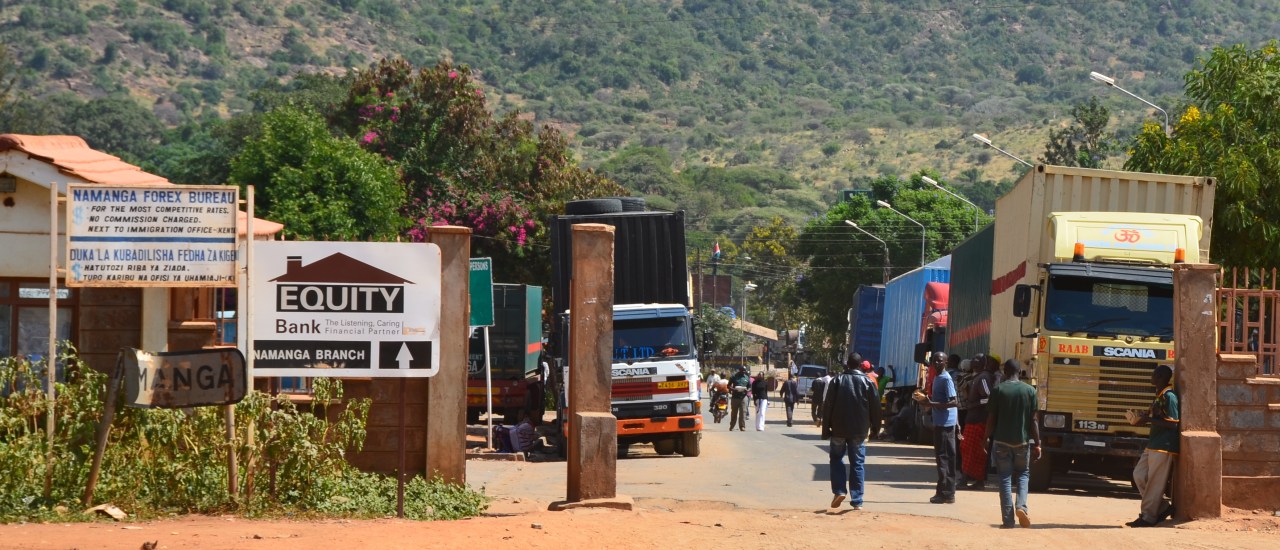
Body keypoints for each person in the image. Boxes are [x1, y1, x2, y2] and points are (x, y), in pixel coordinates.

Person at [821, 352, 882, 511]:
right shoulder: (868, 382)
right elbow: (875, 408)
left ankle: (839, 491)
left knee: (836, 459)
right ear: (861, 365)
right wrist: (876, 428)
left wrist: (826, 428)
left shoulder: (837, 380)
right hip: (859, 431)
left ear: (847, 364)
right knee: (857, 463)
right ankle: (857, 500)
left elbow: (828, 406)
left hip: (838, 429)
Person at [986, 359, 1040, 529]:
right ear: (1019, 372)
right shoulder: (1030, 391)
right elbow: (1034, 421)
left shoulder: (998, 390)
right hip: (1022, 442)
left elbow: (991, 418)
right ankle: (1021, 506)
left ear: (1005, 372)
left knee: (1004, 477)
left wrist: (985, 438)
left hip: (1001, 441)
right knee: (1023, 474)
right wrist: (1038, 443)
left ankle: (1008, 520)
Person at [1125, 364, 1179, 528]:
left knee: (1154, 482)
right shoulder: (1159, 395)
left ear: (1160, 377)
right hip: (1153, 444)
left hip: (1163, 445)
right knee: (1139, 475)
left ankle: (1148, 517)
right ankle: (1162, 508)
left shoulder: (1169, 397)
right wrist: (1142, 418)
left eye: (1154, 374)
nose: (1152, 376)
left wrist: (1148, 420)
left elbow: (1173, 424)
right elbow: (1157, 418)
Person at [918, 351, 959, 504]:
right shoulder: (937, 377)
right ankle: (945, 492)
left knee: (944, 458)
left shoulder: (946, 379)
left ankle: (946, 493)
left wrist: (932, 404)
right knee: (943, 458)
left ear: (946, 363)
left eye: (940, 361)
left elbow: (954, 402)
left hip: (945, 425)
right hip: (940, 422)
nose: (936, 363)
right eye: (934, 361)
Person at [959, 354, 996, 490]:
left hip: (978, 421)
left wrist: (973, 404)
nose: (974, 362)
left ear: (983, 364)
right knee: (969, 449)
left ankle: (967, 480)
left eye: (978, 360)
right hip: (973, 420)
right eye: (973, 360)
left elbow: (990, 398)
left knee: (973, 450)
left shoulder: (983, 378)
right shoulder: (976, 377)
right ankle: (975, 480)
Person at [728, 366, 751, 432]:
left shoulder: (746, 377)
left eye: (744, 371)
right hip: (735, 397)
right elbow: (728, 386)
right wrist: (733, 389)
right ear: (739, 370)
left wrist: (747, 390)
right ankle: (732, 426)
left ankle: (742, 426)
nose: (743, 372)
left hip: (743, 397)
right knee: (734, 413)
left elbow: (749, 386)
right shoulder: (734, 377)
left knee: (743, 413)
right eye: (742, 371)